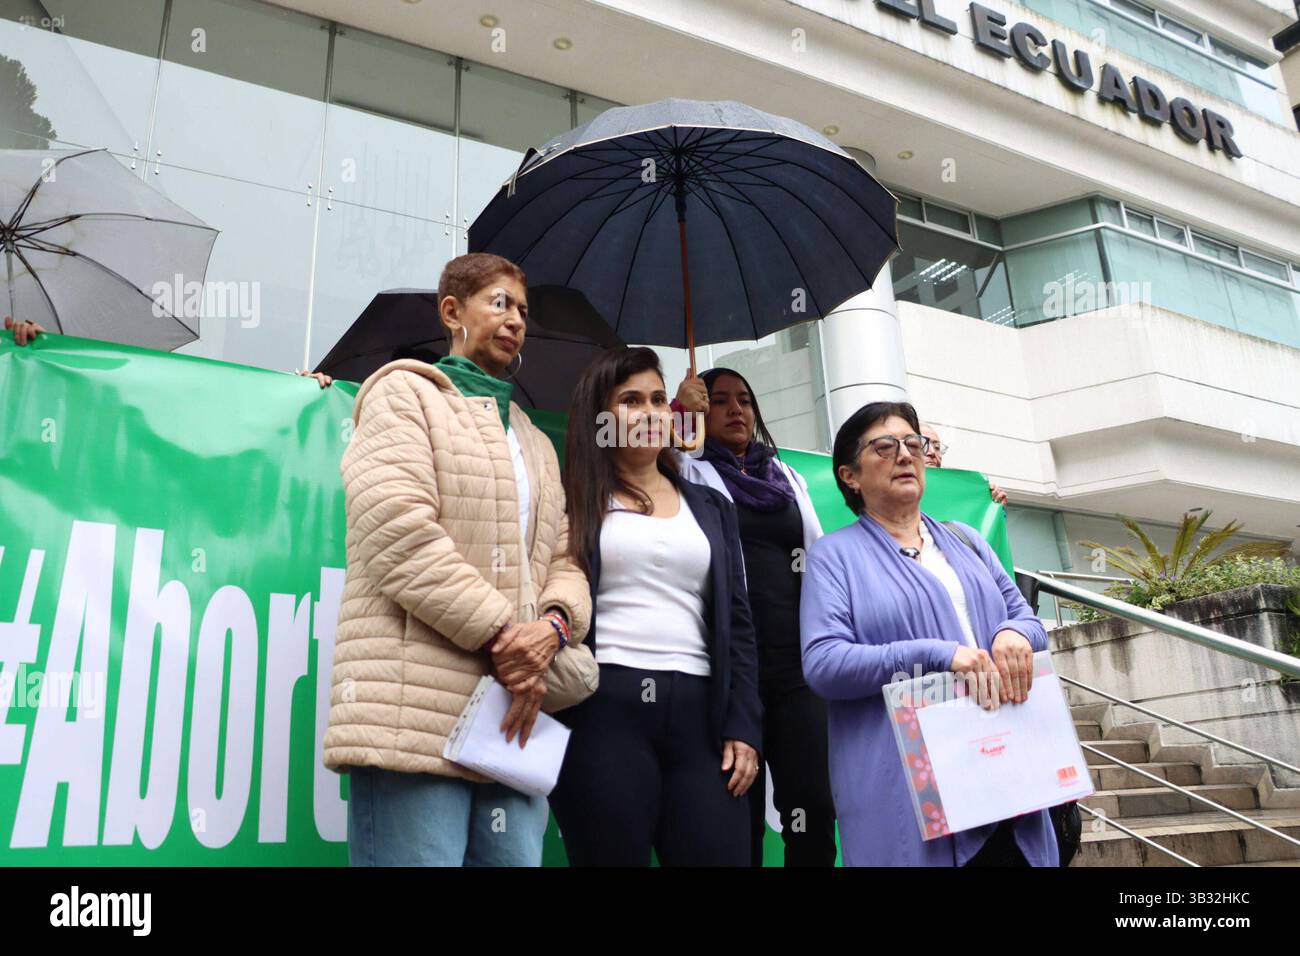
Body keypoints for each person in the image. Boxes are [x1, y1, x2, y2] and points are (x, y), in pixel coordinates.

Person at [322, 252, 593, 867]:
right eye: (499, 303)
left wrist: (551, 627)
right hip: (413, 717)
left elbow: (565, 558)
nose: (516, 319)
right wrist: (506, 637)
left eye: (523, 310)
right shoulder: (403, 394)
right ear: (452, 312)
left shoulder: (533, 438)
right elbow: (398, 533)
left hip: (513, 716)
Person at [799, 401, 1056, 866]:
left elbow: (1028, 621)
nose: (905, 454)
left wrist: (1013, 634)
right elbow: (824, 664)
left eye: (913, 443)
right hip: (911, 787)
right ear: (849, 476)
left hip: (1005, 779)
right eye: (884, 446)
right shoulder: (833, 558)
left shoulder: (966, 540)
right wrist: (940, 654)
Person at [548, 346, 762, 866]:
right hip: (602, 710)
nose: (649, 412)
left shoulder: (712, 506)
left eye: (659, 399)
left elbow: (738, 623)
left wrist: (744, 726)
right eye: (630, 400)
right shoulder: (571, 498)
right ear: (602, 419)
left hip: (704, 717)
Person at [672, 368, 835, 867]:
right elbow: (631, 452)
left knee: (811, 809)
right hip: (730, 671)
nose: (735, 409)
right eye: (719, 400)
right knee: (733, 813)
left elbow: (825, 552)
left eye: (744, 400)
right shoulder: (685, 472)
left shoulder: (787, 478)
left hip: (796, 668)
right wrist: (678, 413)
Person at [920, 421, 1008, 505]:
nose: (932, 452)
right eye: (922, 445)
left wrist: (991, 506)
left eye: (937, 447)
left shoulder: (958, 493)